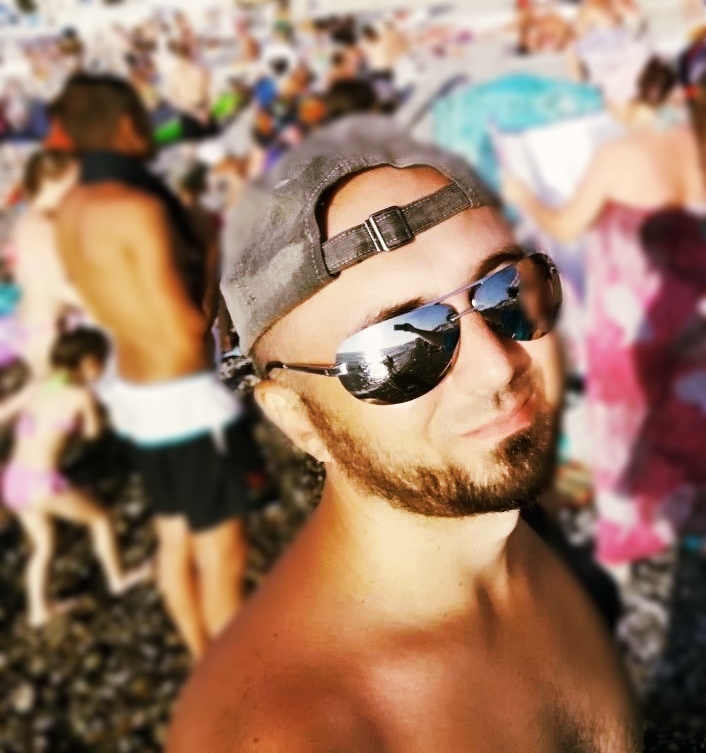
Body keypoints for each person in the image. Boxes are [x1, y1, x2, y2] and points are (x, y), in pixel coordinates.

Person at [168, 115, 641, 752]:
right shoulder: (314, 732)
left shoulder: (510, 529)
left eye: (507, 293)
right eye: (399, 350)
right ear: (297, 417)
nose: (497, 366)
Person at [47, 73, 260, 660]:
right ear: (125, 126)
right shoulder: (139, 209)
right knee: (223, 553)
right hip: (183, 398)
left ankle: (200, 660)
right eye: (143, 119)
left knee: (174, 540)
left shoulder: (72, 209)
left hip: (134, 394)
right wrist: (209, 252)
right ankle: (229, 686)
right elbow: (187, 328)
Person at [502, 57, 706, 570]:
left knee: (627, 418)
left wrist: (525, 197)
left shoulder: (619, 154)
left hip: (633, 310)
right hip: (691, 300)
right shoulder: (695, 141)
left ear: (625, 98)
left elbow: (566, 226)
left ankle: (643, 532)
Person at [0, 328, 149, 628]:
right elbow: (93, 434)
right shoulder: (81, 395)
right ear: (88, 362)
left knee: (43, 545)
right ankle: (118, 579)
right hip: (43, 483)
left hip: (15, 480)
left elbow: (4, 413)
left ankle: (39, 609)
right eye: (101, 363)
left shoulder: (42, 387)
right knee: (100, 519)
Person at [9, 149, 86, 377]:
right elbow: (61, 288)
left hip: (32, 332)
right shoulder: (45, 228)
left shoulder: (26, 222)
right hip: (54, 340)